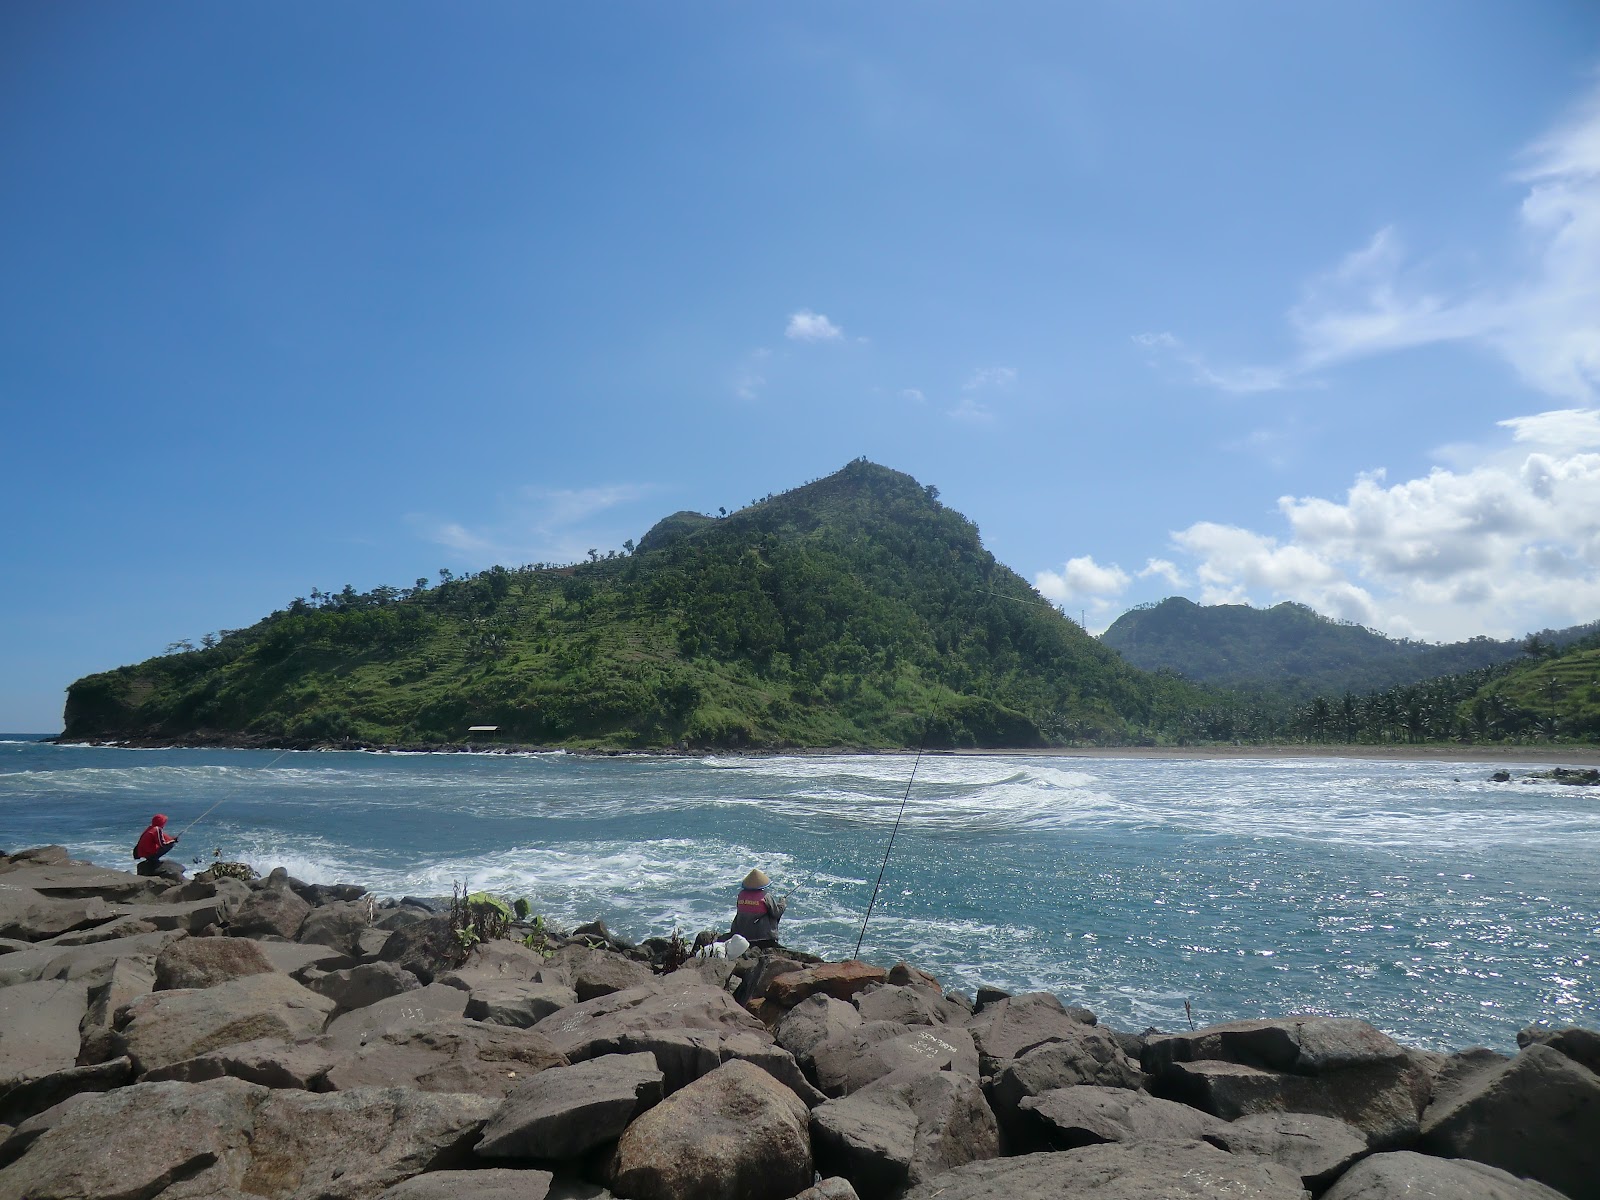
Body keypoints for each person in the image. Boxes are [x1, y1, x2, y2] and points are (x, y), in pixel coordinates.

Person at [730, 868, 786, 948]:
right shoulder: (765, 896)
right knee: (770, 914)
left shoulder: (741, 895)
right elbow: (776, 913)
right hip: (762, 936)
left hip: (743, 934)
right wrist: (782, 903)